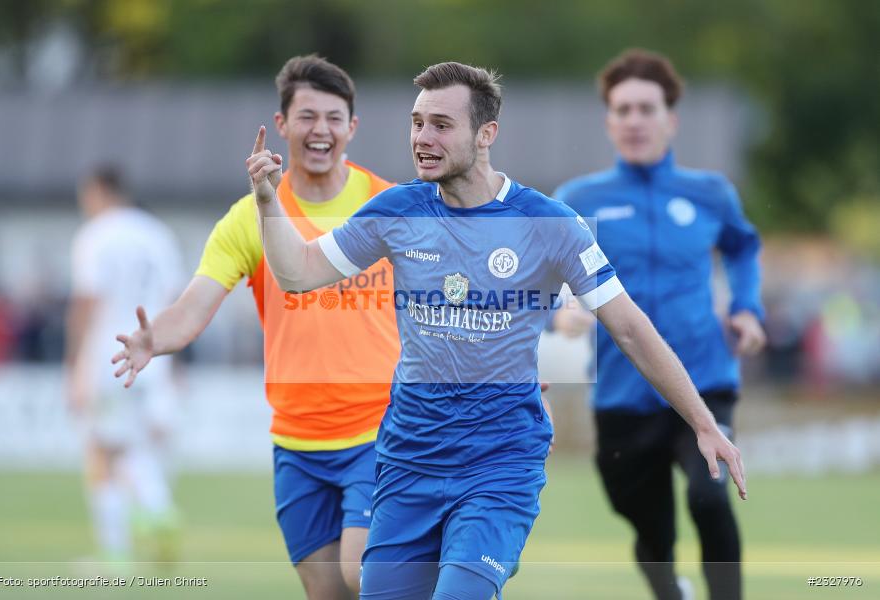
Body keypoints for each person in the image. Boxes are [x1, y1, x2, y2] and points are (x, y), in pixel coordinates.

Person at [248, 60, 747, 600]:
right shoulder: (396, 209)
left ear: (486, 134)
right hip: (406, 461)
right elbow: (297, 273)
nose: (422, 138)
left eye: (441, 124)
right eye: (417, 123)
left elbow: (628, 327)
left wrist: (702, 423)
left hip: (499, 464)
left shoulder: (549, 223)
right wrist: (267, 199)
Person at [111, 55, 399, 599]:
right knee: (326, 594)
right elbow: (195, 303)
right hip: (296, 441)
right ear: (283, 124)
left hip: (380, 430)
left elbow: (454, 293)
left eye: (334, 118)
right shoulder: (250, 216)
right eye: (307, 116)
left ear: (352, 128)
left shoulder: (389, 206)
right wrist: (157, 338)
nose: (321, 130)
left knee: (364, 576)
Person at [553, 49, 766, 600]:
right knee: (650, 529)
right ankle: (671, 589)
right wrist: (565, 309)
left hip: (704, 378)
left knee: (709, 496)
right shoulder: (579, 200)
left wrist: (747, 307)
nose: (634, 120)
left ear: (670, 119)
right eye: (623, 110)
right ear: (609, 121)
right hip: (623, 394)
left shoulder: (709, 193)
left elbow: (743, 247)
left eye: (647, 108)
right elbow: (547, 274)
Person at [65, 165, 184, 563]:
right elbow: (176, 301)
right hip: (154, 354)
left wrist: (74, 366)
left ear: (99, 191)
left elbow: (86, 302)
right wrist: (175, 361)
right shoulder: (158, 234)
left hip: (108, 354)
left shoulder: (96, 235)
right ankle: (159, 508)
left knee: (101, 450)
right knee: (139, 444)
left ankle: (115, 552)